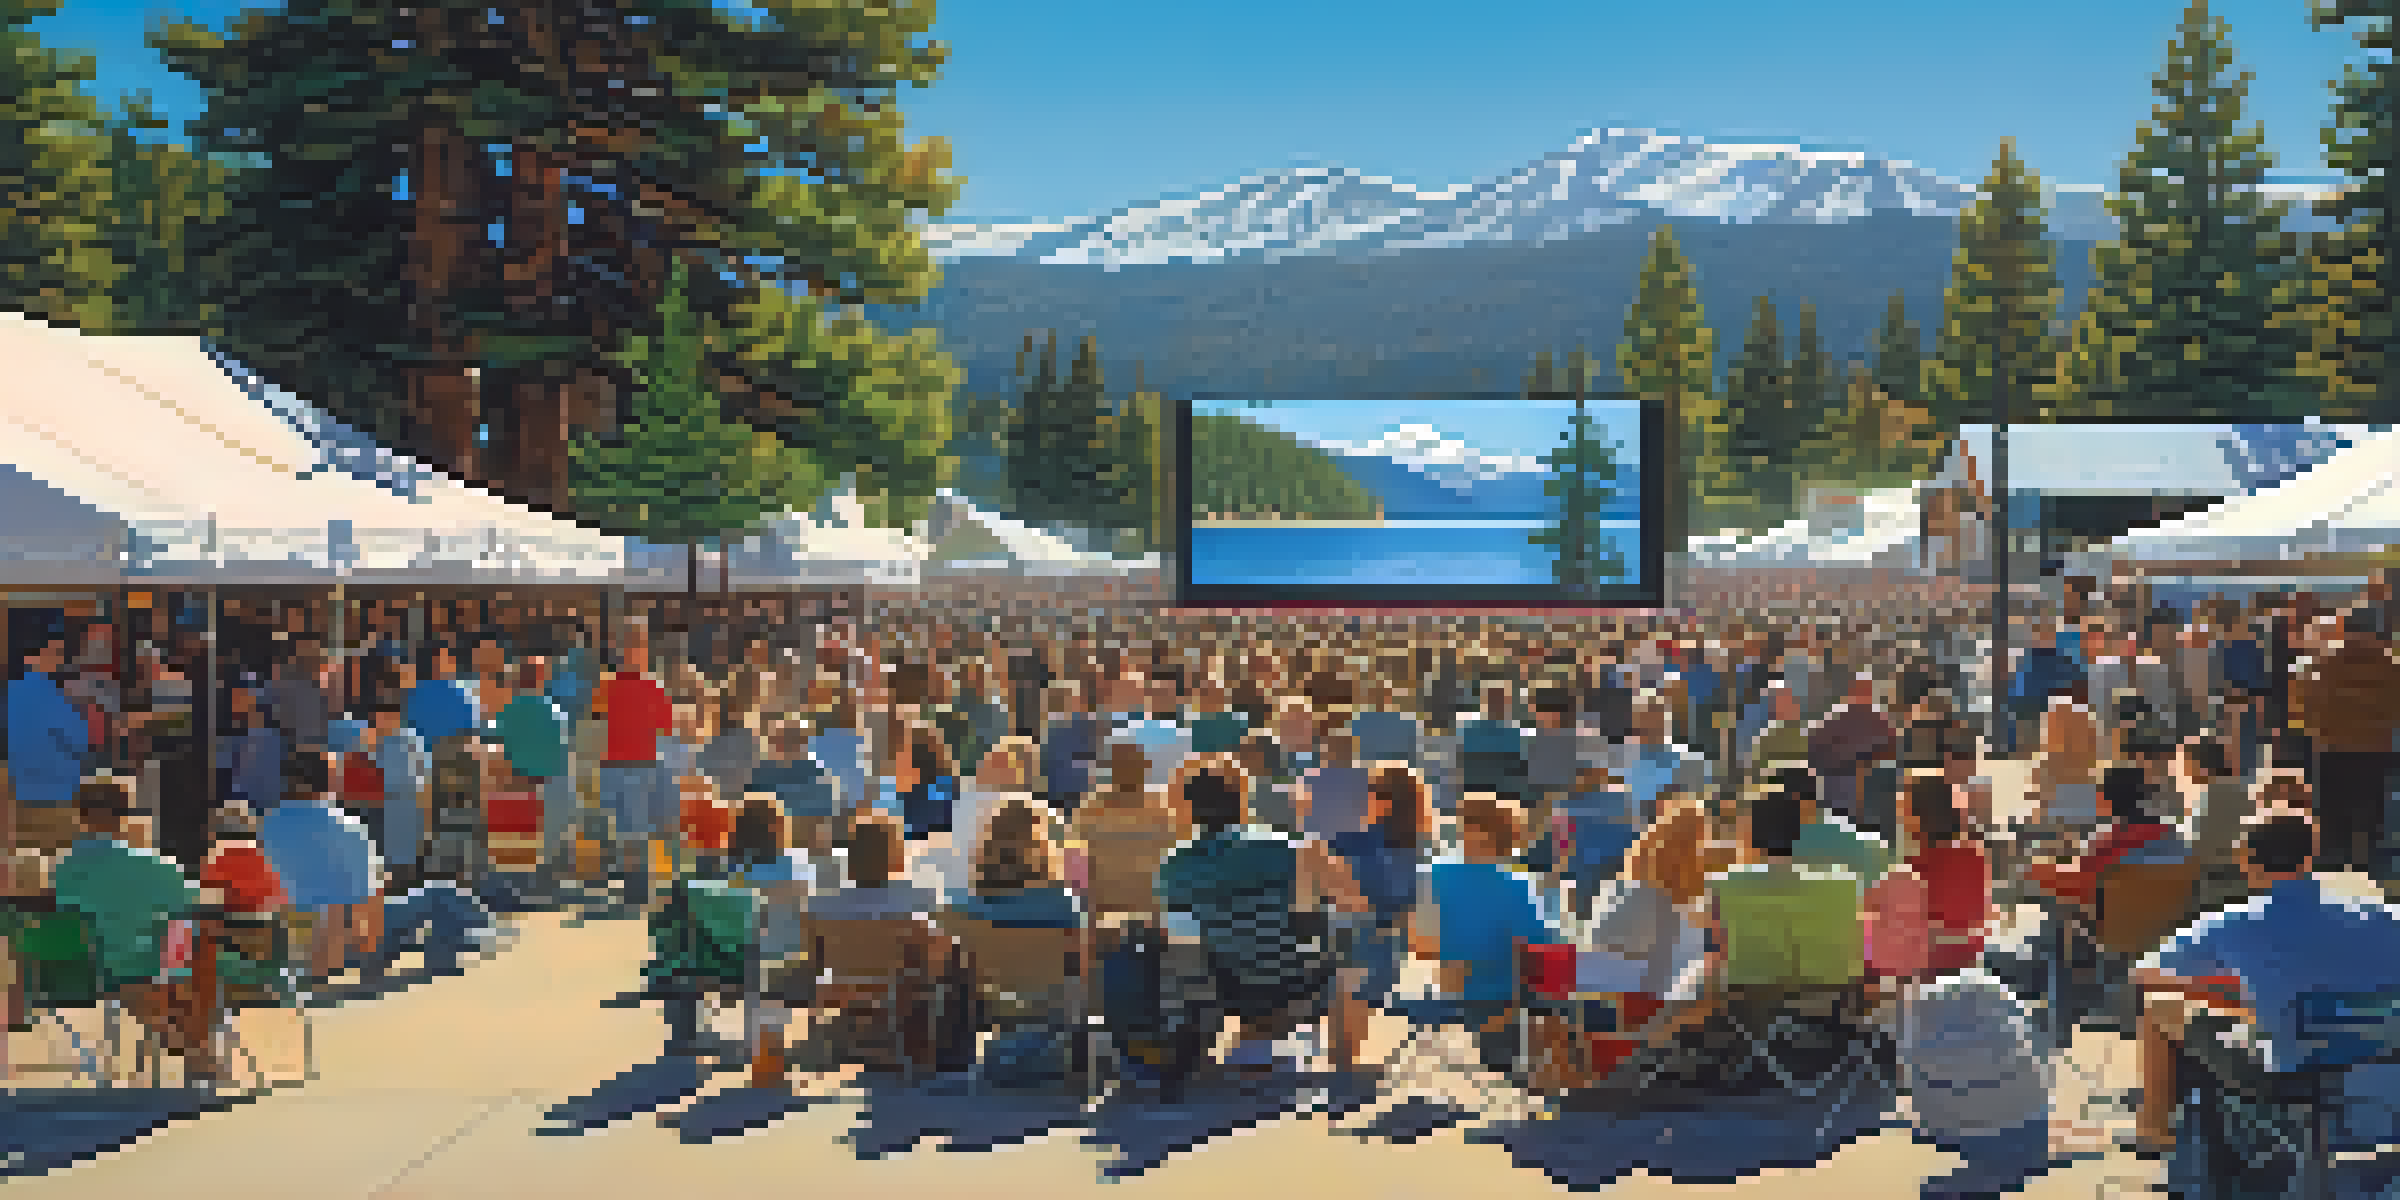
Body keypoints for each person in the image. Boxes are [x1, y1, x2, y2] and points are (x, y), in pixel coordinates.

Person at [2132, 814, 2400, 1158]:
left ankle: (2154, 1131)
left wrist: (2236, 993)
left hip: (2288, 1068)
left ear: (2247, 860)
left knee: (2160, 1004)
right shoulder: (2380, 916)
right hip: (2379, 1054)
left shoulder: (2232, 922)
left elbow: (2145, 973)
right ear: (2311, 858)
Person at [50, 777, 221, 1081]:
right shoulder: (150, 865)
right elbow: (200, 902)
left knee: (166, 947)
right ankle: (198, 1047)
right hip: (141, 966)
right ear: (125, 815)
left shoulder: (61, 871)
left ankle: (172, 1030)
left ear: (79, 814)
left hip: (78, 974)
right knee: (197, 940)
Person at [1417, 790, 1564, 1073]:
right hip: (1500, 993)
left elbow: (1420, 940)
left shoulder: (1434, 874)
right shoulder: (1516, 885)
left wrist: (1452, 964)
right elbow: (1539, 945)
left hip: (1452, 989)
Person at [2288, 610, 2400, 873]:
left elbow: (2306, 708)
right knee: (2371, 805)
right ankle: (2369, 863)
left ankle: (2333, 865)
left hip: (2332, 747)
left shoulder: (2325, 662)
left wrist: (2316, 729)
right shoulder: (2390, 665)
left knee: (2333, 809)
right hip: (2375, 746)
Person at [259, 752, 384, 980]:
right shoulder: (349, 826)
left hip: (279, 939)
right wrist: (370, 951)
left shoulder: (267, 825)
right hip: (330, 947)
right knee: (442, 894)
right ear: (331, 781)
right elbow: (370, 900)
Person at [594, 642, 675, 906]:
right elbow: (664, 727)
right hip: (621, 765)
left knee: (632, 830)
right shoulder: (612, 686)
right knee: (629, 830)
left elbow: (665, 727)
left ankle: (636, 889)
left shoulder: (648, 687)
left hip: (636, 765)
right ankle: (635, 888)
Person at [6, 633, 92, 865]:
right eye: (53, 653)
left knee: (28, 862)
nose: (58, 659)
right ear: (32, 657)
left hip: (22, 789)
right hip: (56, 790)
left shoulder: (12, 693)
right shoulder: (49, 694)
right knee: (60, 862)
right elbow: (78, 739)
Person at [488, 659, 573, 891]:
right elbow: (563, 752)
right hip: (549, 783)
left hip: (519, 783)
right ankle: (545, 883)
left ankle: (520, 885)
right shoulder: (554, 710)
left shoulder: (509, 710)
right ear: (542, 678)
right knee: (548, 843)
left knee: (520, 844)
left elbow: (495, 744)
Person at [367, 698, 430, 892]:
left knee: (407, 858)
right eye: (378, 719)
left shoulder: (410, 741)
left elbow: (424, 777)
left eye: (386, 718)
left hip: (408, 806)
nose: (382, 722)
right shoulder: (374, 743)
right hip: (385, 808)